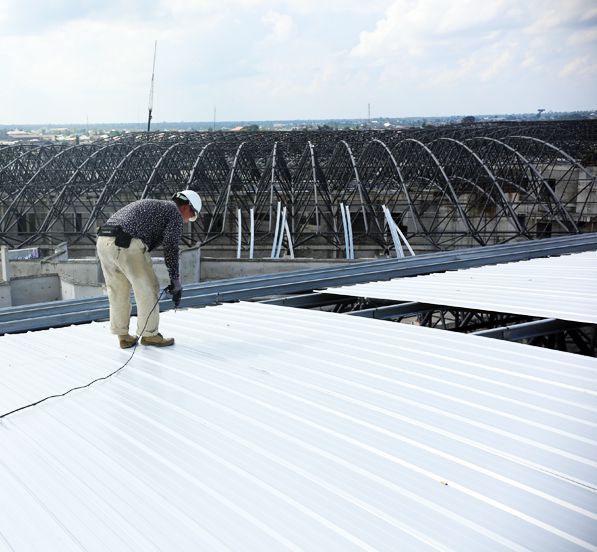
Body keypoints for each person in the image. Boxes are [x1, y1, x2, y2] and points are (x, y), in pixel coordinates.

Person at [96, 190, 202, 349]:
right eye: (192, 215)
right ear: (187, 206)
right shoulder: (174, 213)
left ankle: (123, 336)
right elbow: (171, 246)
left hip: (103, 241)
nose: (188, 221)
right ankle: (149, 335)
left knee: (118, 291)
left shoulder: (158, 206)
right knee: (148, 288)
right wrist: (175, 280)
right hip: (126, 242)